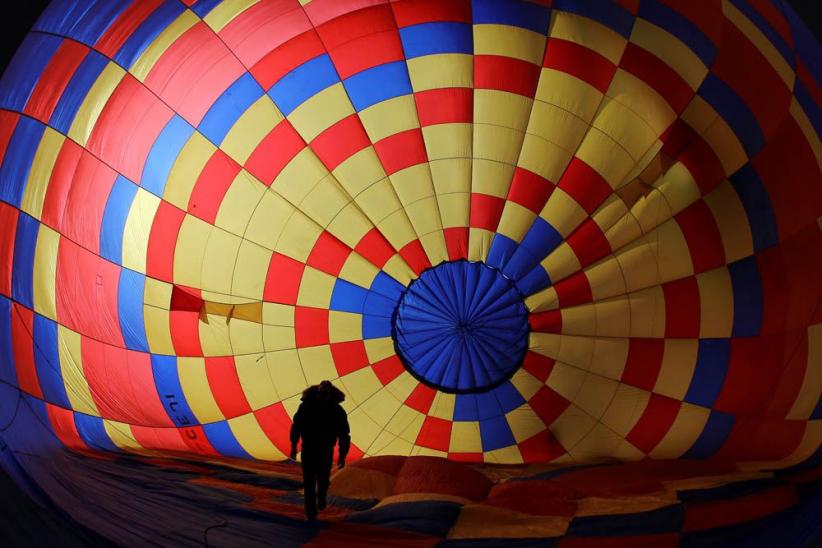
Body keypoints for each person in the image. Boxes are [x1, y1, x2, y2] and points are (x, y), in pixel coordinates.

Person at [289, 380, 350, 520]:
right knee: (309, 482)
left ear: (330, 395)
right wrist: (293, 446)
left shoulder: (337, 411)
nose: (322, 396)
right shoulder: (306, 407)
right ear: (317, 393)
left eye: (325, 394)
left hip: (325, 450)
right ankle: (311, 513)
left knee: (323, 480)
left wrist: (342, 455)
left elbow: (344, 434)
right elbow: (296, 426)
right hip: (309, 448)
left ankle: (321, 495)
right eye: (320, 393)